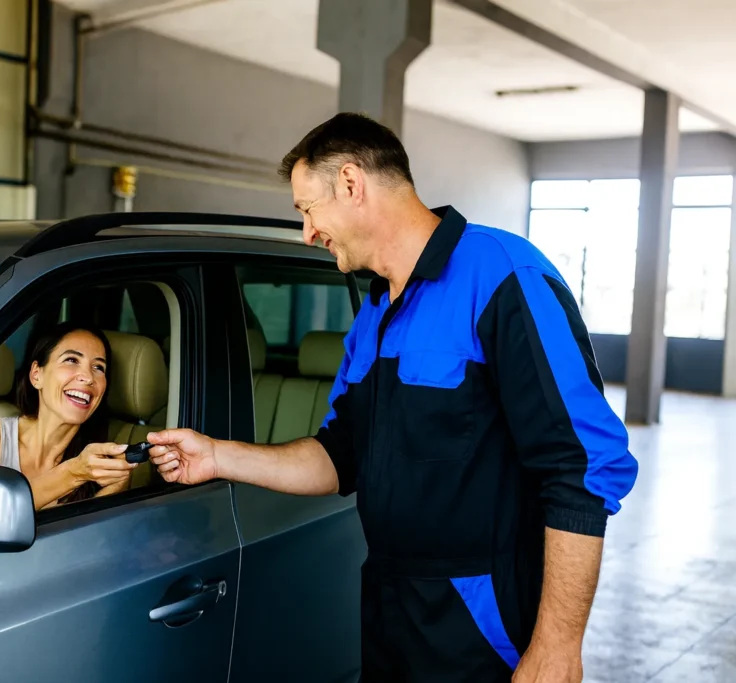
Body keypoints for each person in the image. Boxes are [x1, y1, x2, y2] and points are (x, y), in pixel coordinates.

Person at [149, 112, 638, 683]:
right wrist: (216, 455)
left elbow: (583, 466)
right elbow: (339, 456)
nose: (307, 232)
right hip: (388, 605)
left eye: (307, 209)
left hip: (480, 616)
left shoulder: (503, 277)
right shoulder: (376, 312)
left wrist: (557, 646)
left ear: (352, 184)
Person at [0, 322, 138, 509]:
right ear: (36, 375)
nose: (88, 377)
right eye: (72, 360)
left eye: (99, 368)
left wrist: (115, 487)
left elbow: (86, 535)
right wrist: (74, 473)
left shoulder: (100, 464)